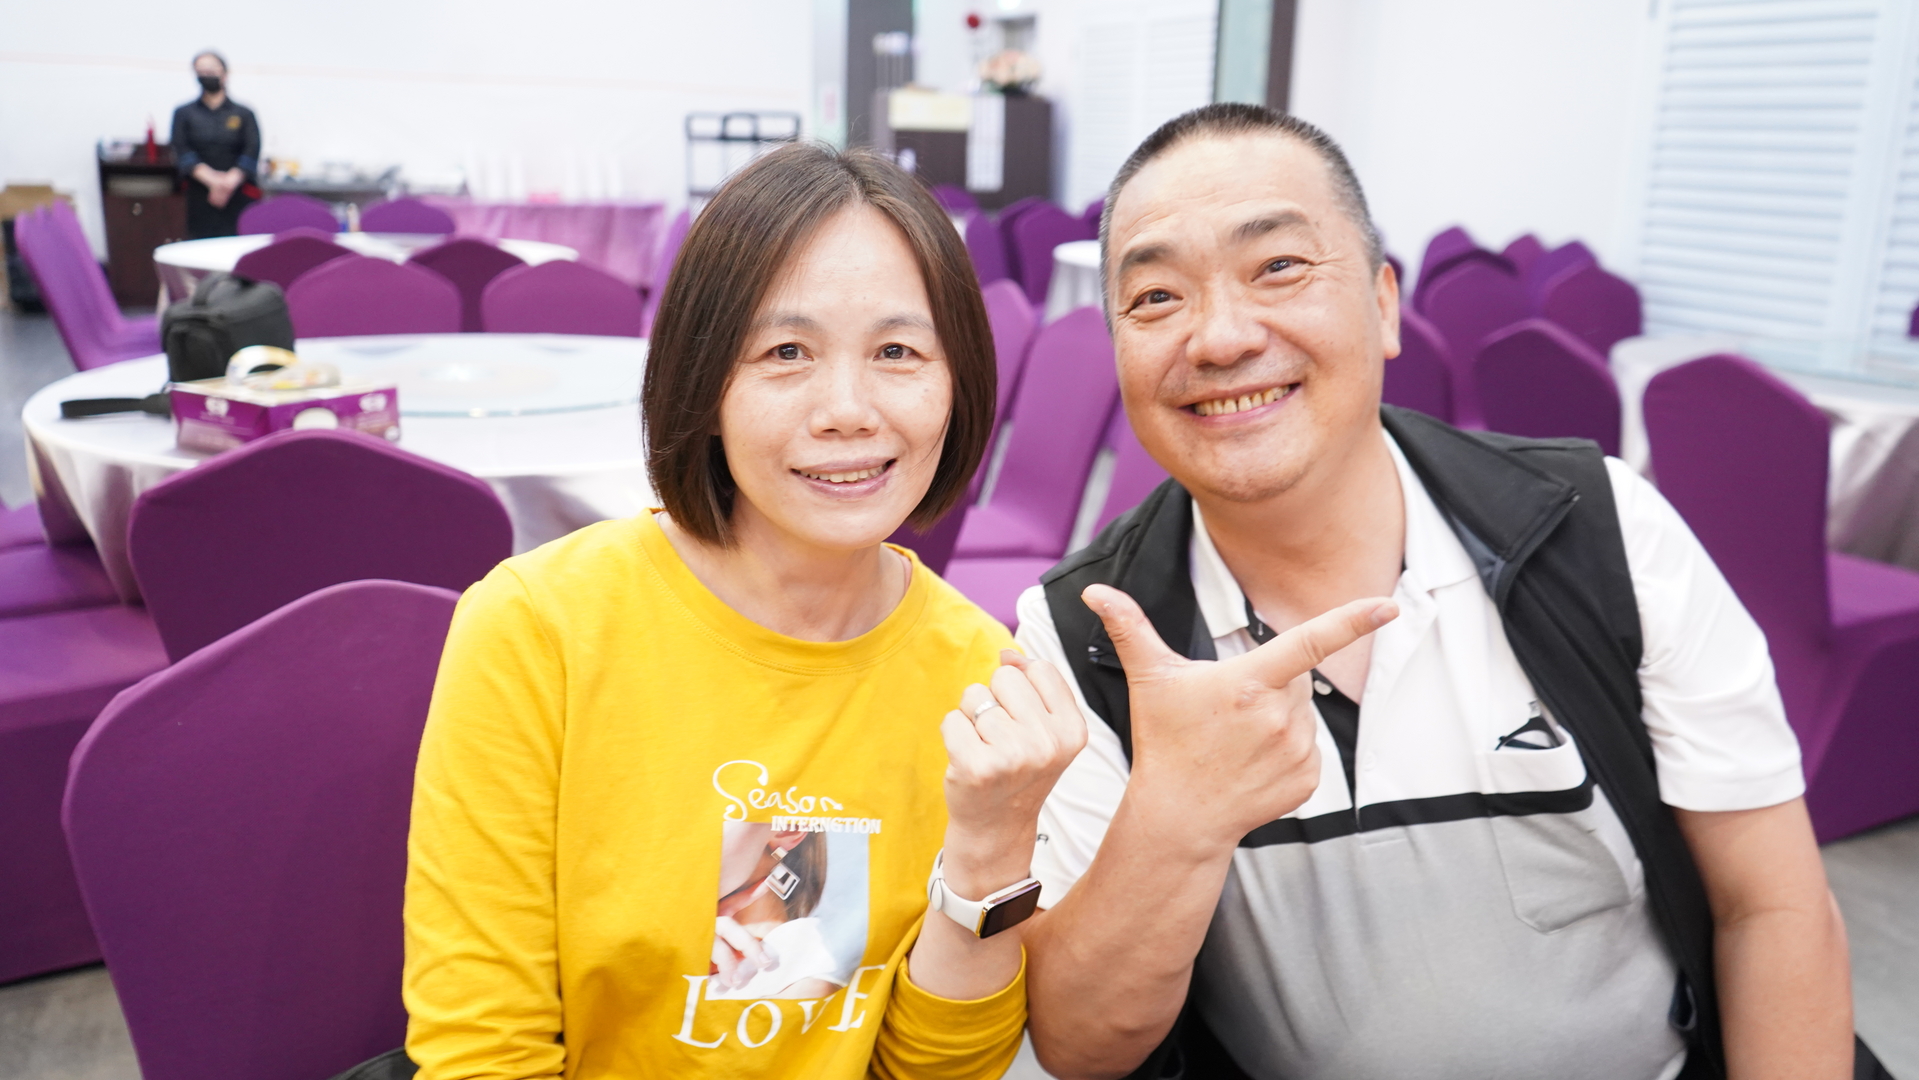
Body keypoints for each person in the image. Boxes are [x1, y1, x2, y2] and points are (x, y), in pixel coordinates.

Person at [991, 103, 1874, 1079]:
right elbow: (1080, 1046)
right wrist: (1174, 821)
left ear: (1383, 305)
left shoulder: (1595, 529)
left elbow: (1772, 907)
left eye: (1277, 266)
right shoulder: (1086, 633)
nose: (1221, 337)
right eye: (1155, 296)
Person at [402, 142, 1085, 1080]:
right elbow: (483, 1052)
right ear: (703, 380)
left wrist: (990, 849)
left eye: (896, 352)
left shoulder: (974, 675)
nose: (847, 410)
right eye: (785, 352)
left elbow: (933, 1071)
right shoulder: (538, 630)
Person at [170, 51, 260, 238]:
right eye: (201, 71)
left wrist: (228, 183)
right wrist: (213, 181)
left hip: (238, 192)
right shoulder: (184, 113)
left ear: (224, 73)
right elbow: (181, 149)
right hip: (198, 194)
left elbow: (252, 150)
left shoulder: (244, 113)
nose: (206, 75)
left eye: (211, 70)